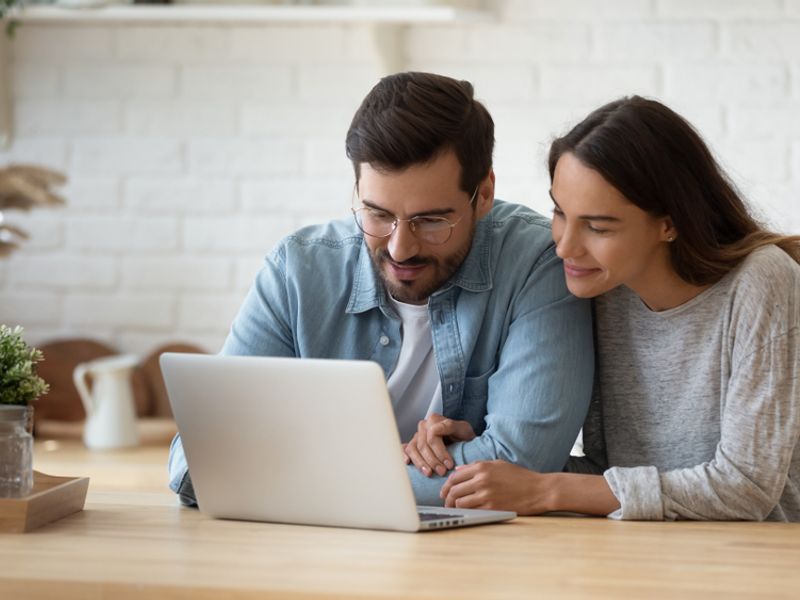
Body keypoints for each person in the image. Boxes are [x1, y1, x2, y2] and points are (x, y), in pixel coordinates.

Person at [168, 72, 594, 506]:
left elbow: (523, 463)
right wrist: (397, 466)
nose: (400, 248)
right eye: (377, 214)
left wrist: (295, 473)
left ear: (483, 194)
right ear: (356, 189)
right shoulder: (297, 270)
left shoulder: (536, 263)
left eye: (430, 221)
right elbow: (197, 461)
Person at [440, 96, 800, 521]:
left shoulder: (761, 281)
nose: (564, 246)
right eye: (559, 212)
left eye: (597, 226)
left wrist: (547, 489)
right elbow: (609, 478)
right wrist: (484, 453)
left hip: (754, 564)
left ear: (670, 223)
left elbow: (745, 488)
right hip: (638, 556)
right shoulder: (602, 289)